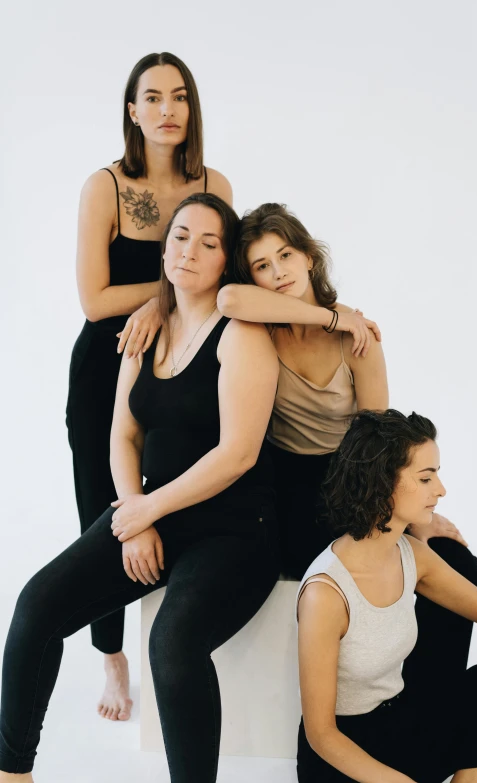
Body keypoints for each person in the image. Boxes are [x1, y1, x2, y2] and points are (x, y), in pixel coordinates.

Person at [0, 193, 279, 783]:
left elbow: (238, 455)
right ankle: (12, 772)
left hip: (234, 530)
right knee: (36, 607)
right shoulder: (147, 328)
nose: (189, 251)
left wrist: (146, 508)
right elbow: (123, 434)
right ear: (164, 245)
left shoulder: (241, 334)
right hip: (151, 511)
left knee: (172, 649)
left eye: (209, 243)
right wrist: (136, 514)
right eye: (180, 236)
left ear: (226, 260)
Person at [218, 203, 477, 692]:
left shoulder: (358, 339)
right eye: (262, 265)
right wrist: (329, 315)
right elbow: (229, 300)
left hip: (353, 475)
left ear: (310, 257)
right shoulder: (259, 330)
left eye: (286, 255)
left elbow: (376, 443)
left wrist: (411, 519)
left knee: (456, 563)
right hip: (287, 484)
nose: (278, 273)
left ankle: (433, 700)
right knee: (339, 575)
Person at [66, 51, 232, 721]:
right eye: (153, 97)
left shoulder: (213, 181)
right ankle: (111, 653)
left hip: (186, 362)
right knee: (102, 513)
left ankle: (182, 632)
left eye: (180, 96)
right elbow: (94, 298)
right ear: (132, 111)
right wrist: (164, 294)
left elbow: (226, 278)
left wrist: (166, 301)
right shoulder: (104, 186)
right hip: (107, 362)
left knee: (181, 495)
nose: (168, 109)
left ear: (191, 109)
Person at [296, 409, 477, 783]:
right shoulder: (326, 594)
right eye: (425, 477)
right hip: (346, 759)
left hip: (403, 724)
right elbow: (322, 736)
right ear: (382, 482)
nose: (441, 489)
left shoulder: (409, 554)